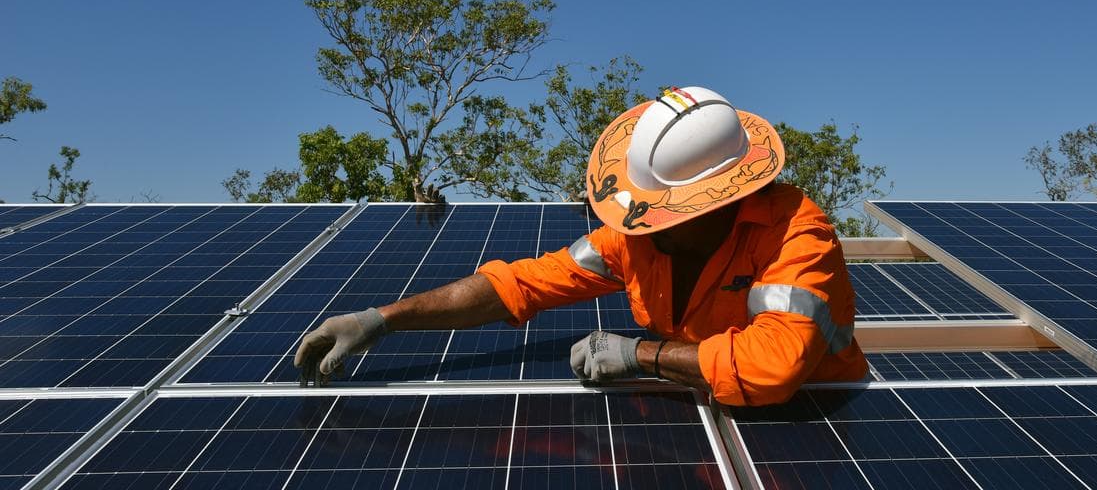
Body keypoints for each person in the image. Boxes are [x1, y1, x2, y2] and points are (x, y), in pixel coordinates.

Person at [295, 86, 867, 405]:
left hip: (814, 415)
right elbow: (521, 283)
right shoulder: (637, 235)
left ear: (718, 203)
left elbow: (774, 368)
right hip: (693, 400)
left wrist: (641, 356)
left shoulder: (795, 235)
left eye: (666, 213)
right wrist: (383, 319)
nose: (646, 227)